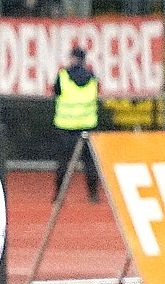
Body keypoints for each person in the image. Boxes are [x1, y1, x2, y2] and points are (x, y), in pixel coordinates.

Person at [53, 44, 101, 203]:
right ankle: (93, 195)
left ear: (73, 58)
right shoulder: (93, 77)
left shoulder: (63, 76)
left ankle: (59, 196)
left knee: (63, 163)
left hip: (65, 126)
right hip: (87, 126)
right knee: (90, 163)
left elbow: (56, 92)